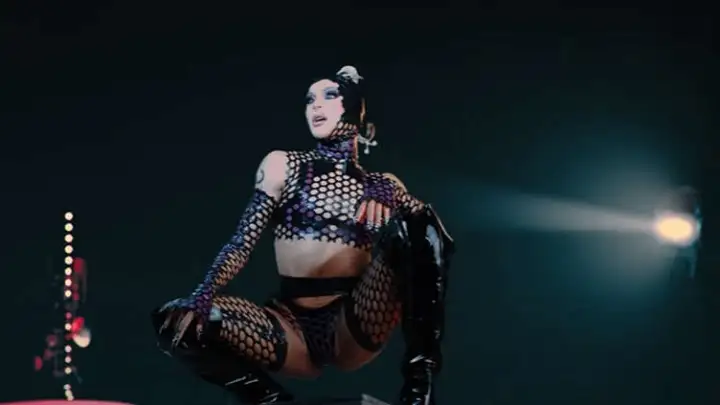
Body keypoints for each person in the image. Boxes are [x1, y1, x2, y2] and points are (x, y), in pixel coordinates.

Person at [151, 66, 454, 405]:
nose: (315, 106)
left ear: (356, 109)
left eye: (329, 95)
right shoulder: (284, 165)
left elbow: (432, 243)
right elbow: (242, 242)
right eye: (310, 99)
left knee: (418, 225)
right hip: (289, 326)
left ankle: (419, 390)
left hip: (353, 320)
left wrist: (394, 194)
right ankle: (272, 402)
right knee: (175, 320)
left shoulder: (383, 184)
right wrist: (203, 294)